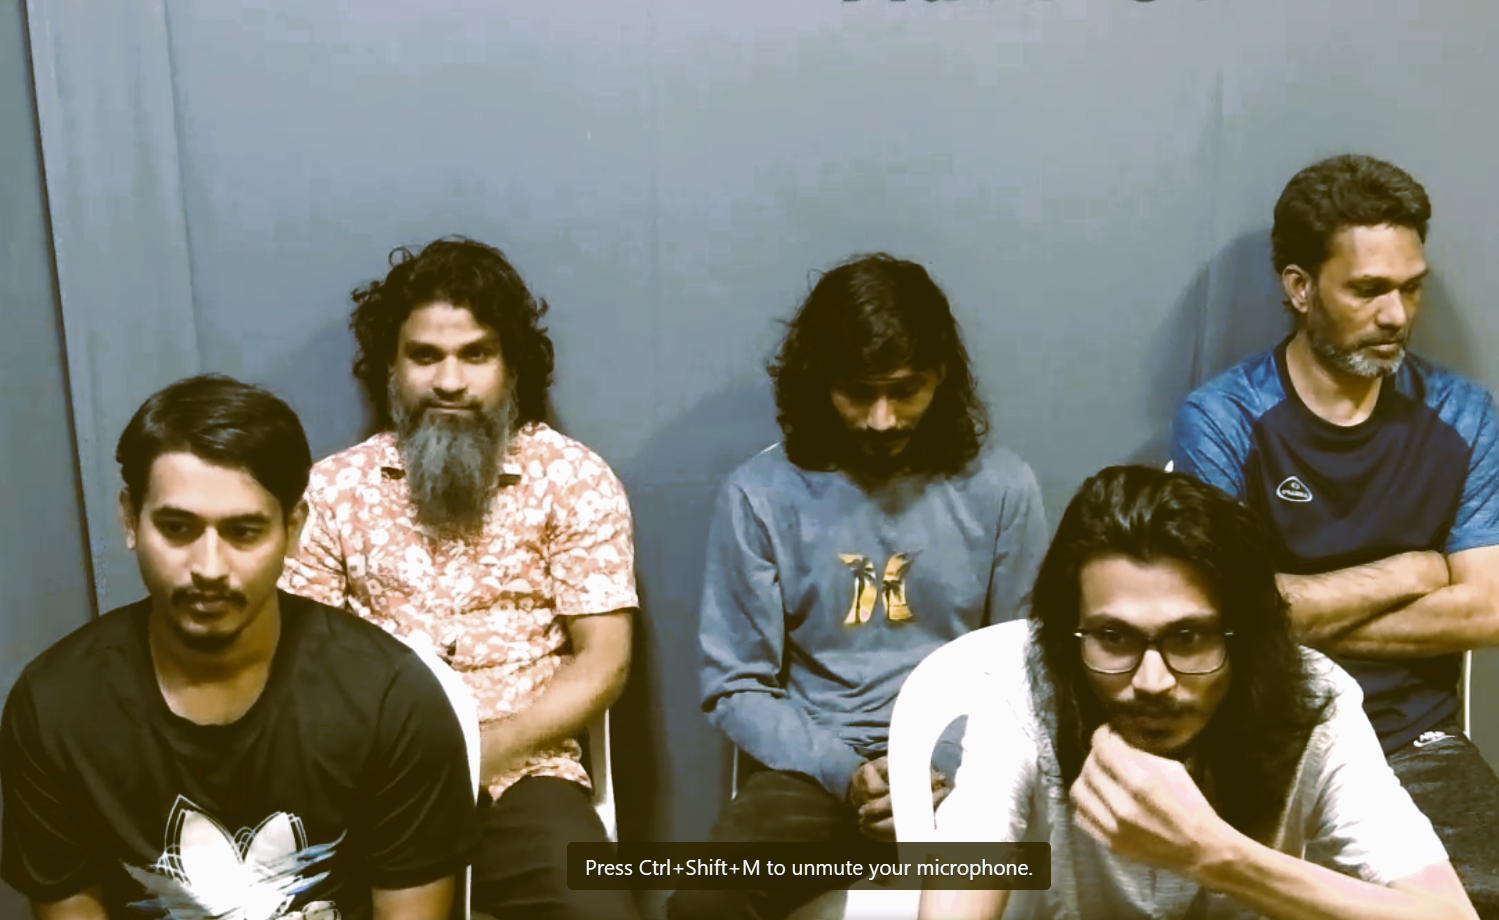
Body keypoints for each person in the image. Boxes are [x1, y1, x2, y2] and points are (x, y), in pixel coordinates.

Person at [0, 374, 478, 920]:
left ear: (293, 530)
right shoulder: (55, 709)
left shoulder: (394, 702)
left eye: (244, 531)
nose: (209, 567)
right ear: (130, 518)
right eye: (177, 528)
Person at [667, 253, 1048, 920]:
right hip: (815, 776)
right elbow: (735, 684)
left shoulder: (1002, 489)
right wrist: (848, 774)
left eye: (904, 390)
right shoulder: (760, 495)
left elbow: (1027, 669)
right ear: (819, 382)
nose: (880, 418)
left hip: (966, 771)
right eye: (856, 392)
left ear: (941, 376)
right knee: (705, 902)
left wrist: (935, 771)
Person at [924, 465, 1478, 920]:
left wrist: (1214, 853)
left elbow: (1449, 915)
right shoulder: (1021, 686)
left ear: (1244, 637)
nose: (1152, 681)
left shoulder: (1316, 701)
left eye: (1189, 639)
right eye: (1114, 638)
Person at [1171, 154, 1499, 914]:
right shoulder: (1222, 418)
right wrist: (1410, 572)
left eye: (1410, 287)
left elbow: (1486, 610)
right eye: (1368, 289)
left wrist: (1282, 612)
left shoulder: (1464, 415)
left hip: (1413, 745)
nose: (1396, 315)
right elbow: (1219, 616)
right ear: (1299, 288)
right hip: (1263, 734)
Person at [280, 237, 639, 920]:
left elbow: (605, 660)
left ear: (510, 366)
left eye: (475, 354)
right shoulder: (330, 492)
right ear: (391, 366)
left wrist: (485, 751)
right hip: (369, 783)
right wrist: (393, 766)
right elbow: (301, 664)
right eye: (425, 356)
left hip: (524, 775)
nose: (450, 380)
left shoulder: (574, 480)